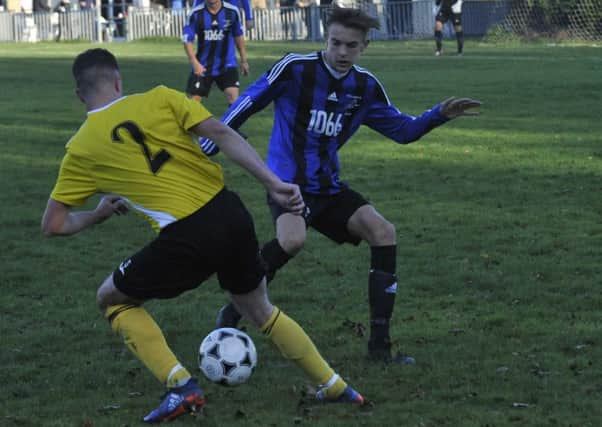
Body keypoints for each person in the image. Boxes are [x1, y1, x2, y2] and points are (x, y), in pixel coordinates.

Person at [41, 48, 365, 423]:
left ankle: (180, 385)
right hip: (230, 212)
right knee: (259, 309)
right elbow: (221, 132)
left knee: (112, 299)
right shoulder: (160, 97)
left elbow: (53, 224)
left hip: (186, 236)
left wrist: (97, 216)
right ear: (118, 81)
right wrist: (274, 184)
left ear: (80, 95)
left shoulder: (80, 149)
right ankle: (336, 386)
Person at [200, 5, 481, 363]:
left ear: (365, 46)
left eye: (351, 45)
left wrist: (438, 115)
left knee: (383, 232)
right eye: (336, 43)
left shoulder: (364, 87)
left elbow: (403, 131)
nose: (342, 52)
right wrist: (209, 145)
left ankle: (379, 348)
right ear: (326, 39)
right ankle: (235, 310)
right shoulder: (295, 69)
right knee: (292, 240)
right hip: (288, 185)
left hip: (329, 188)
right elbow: (246, 104)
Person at [183, 0, 249, 106]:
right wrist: (194, 63)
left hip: (227, 64)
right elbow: (187, 40)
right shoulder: (196, 13)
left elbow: (238, 36)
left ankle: (228, 123)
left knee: (234, 100)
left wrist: (244, 60)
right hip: (202, 66)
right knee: (192, 105)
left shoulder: (232, 11)